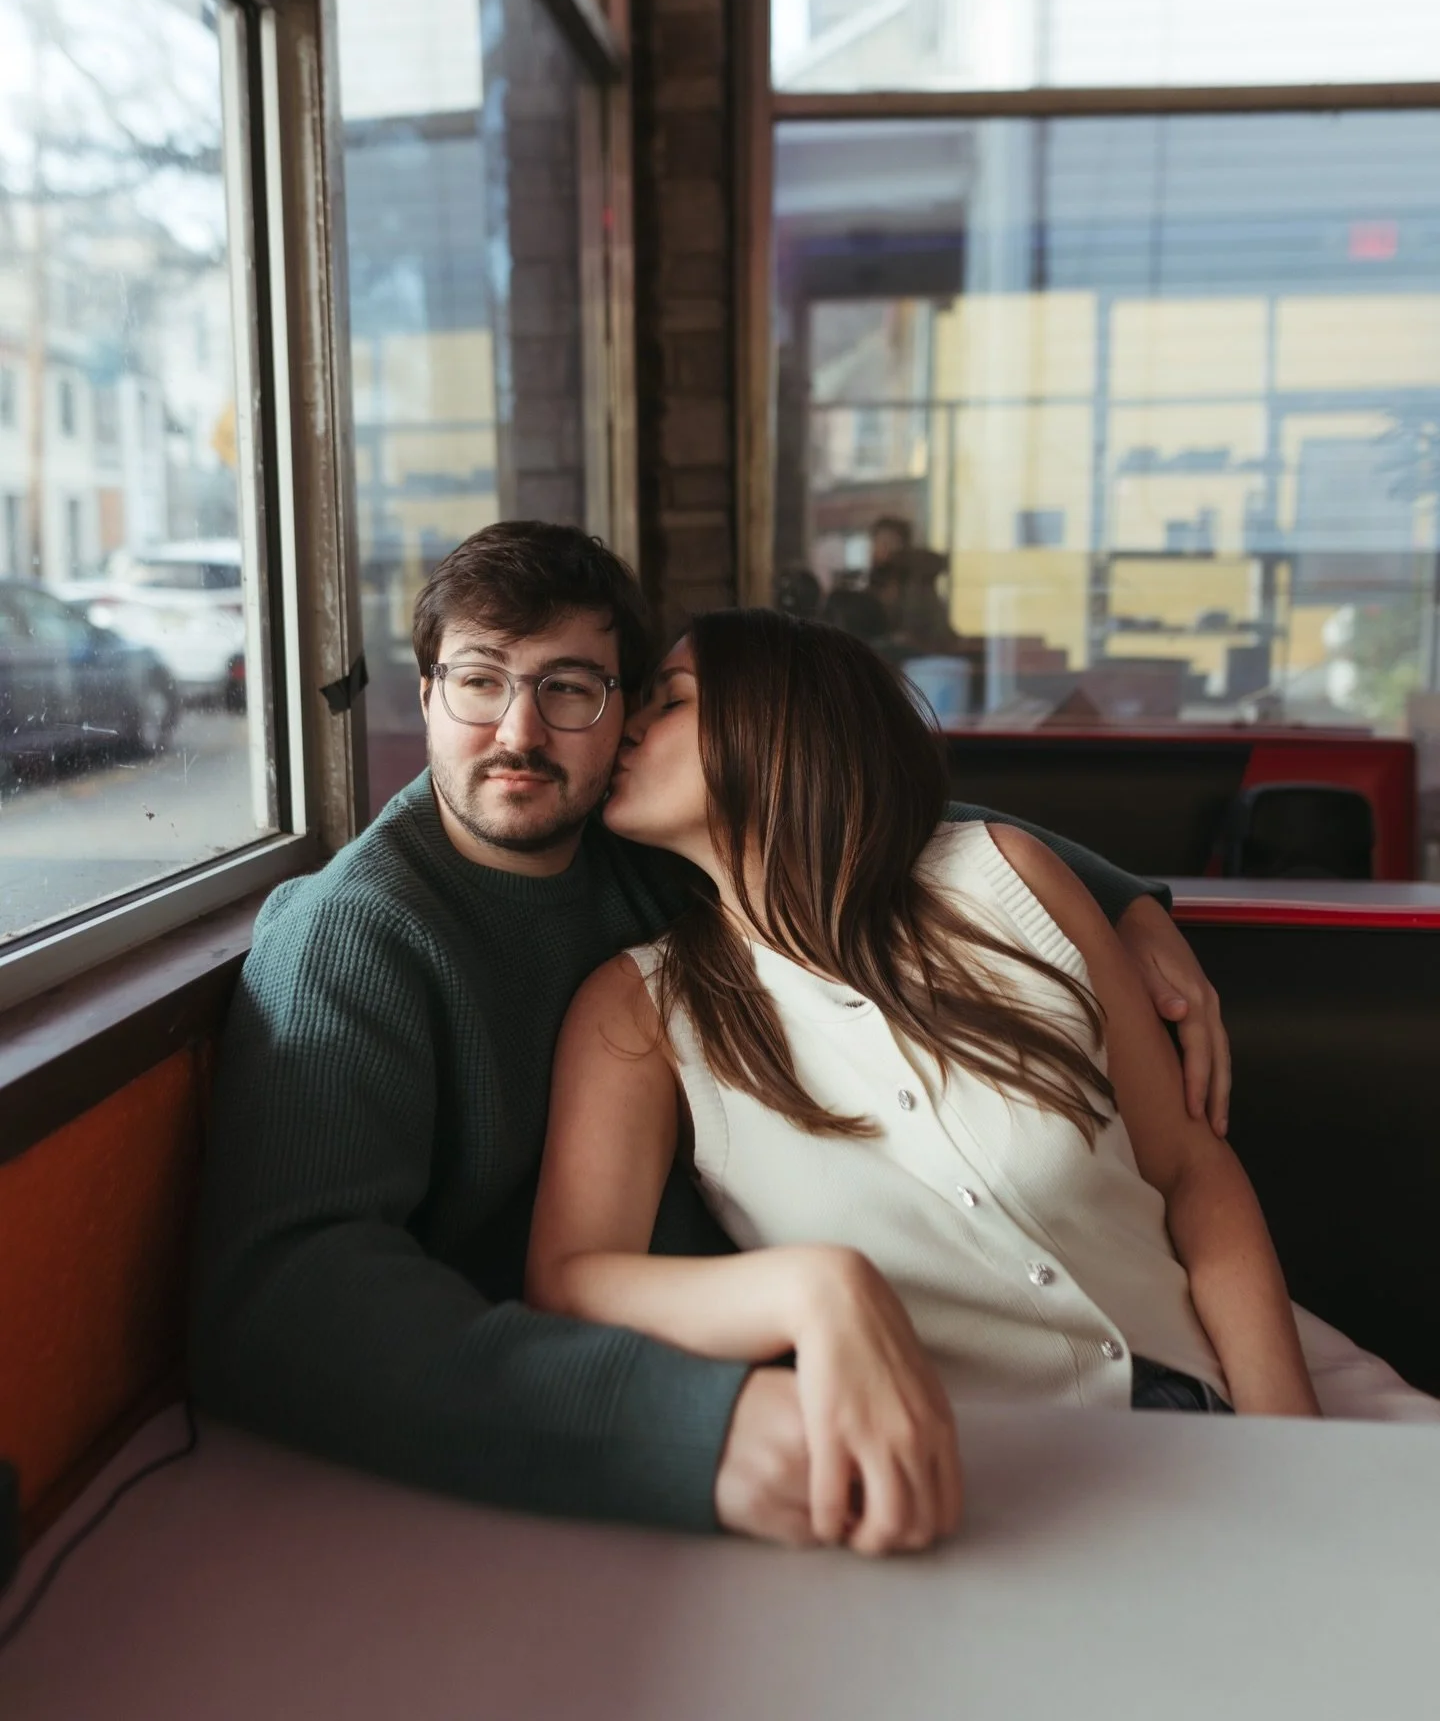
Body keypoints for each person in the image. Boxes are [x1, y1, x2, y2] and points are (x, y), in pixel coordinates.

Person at [191, 523, 1241, 1550]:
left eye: (568, 687)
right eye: (477, 680)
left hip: (863, 1387)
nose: (518, 732)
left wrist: (1122, 900)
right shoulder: (352, 933)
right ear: (424, 696)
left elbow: (833, 797)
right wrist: (692, 1421)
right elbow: (281, 1291)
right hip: (569, 1431)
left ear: (622, 717)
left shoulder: (636, 847)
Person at [526, 608, 1440, 1552]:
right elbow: (569, 1282)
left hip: (1242, 1395)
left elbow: (1189, 1171)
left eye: (669, 701)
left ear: (782, 725)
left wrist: (1290, 1449)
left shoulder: (1005, 879)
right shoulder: (639, 1010)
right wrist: (806, 1288)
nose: (626, 725)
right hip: (987, 1496)